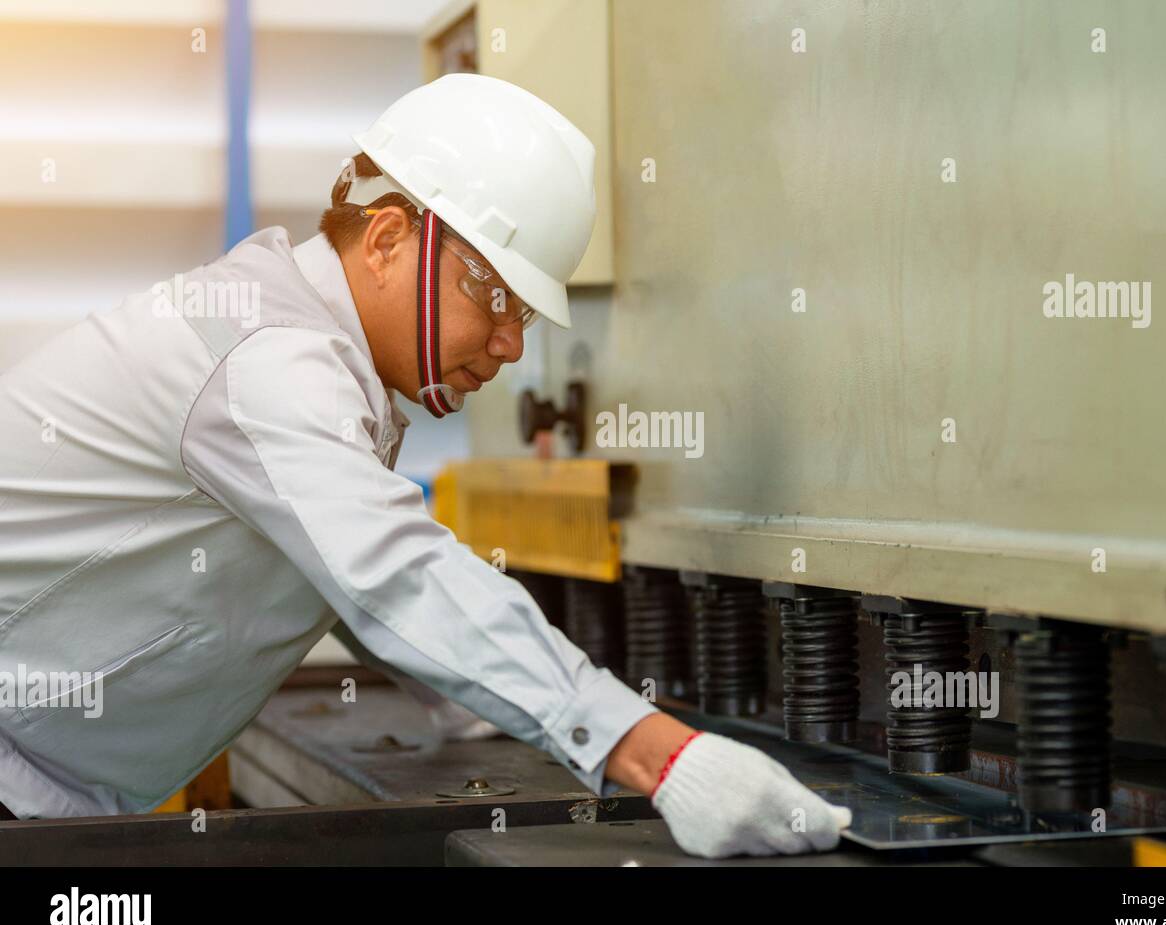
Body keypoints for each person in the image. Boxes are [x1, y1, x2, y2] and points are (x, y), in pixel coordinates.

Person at [0, 74, 850, 857]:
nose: (513, 343)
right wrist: (655, 754)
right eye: (496, 297)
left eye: (526, 313)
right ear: (388, 239)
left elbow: (327, 557)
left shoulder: (317, 360)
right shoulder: (263, 359)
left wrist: (463, 692)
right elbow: (392, 568)